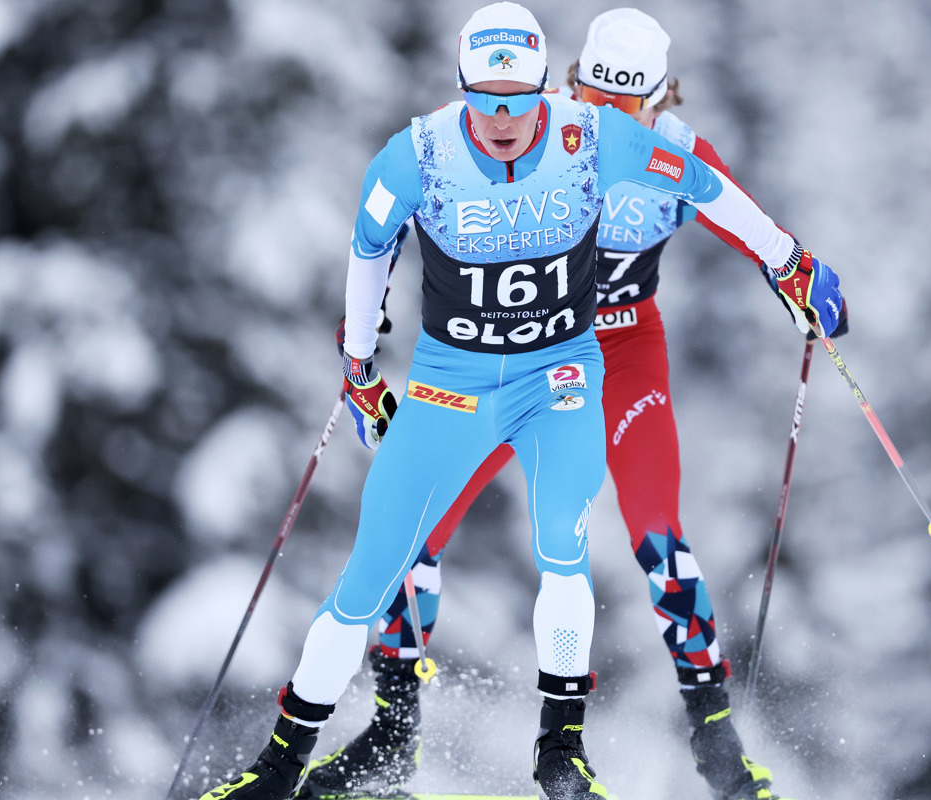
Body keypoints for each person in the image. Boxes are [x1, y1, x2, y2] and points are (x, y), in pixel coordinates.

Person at [198, 3, 843, 800]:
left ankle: (717, 750)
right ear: (570, 82)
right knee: (415, 538)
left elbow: (731, 211)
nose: (608, 116)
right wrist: (365, 329)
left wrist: (795, 270)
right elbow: (418, 219)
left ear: (662, 99)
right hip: (513, 355)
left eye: (628, 104)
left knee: (654, 530)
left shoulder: (666, 151)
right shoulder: (552, 133)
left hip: (619, 350)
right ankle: (394, 735)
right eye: (593, 95)